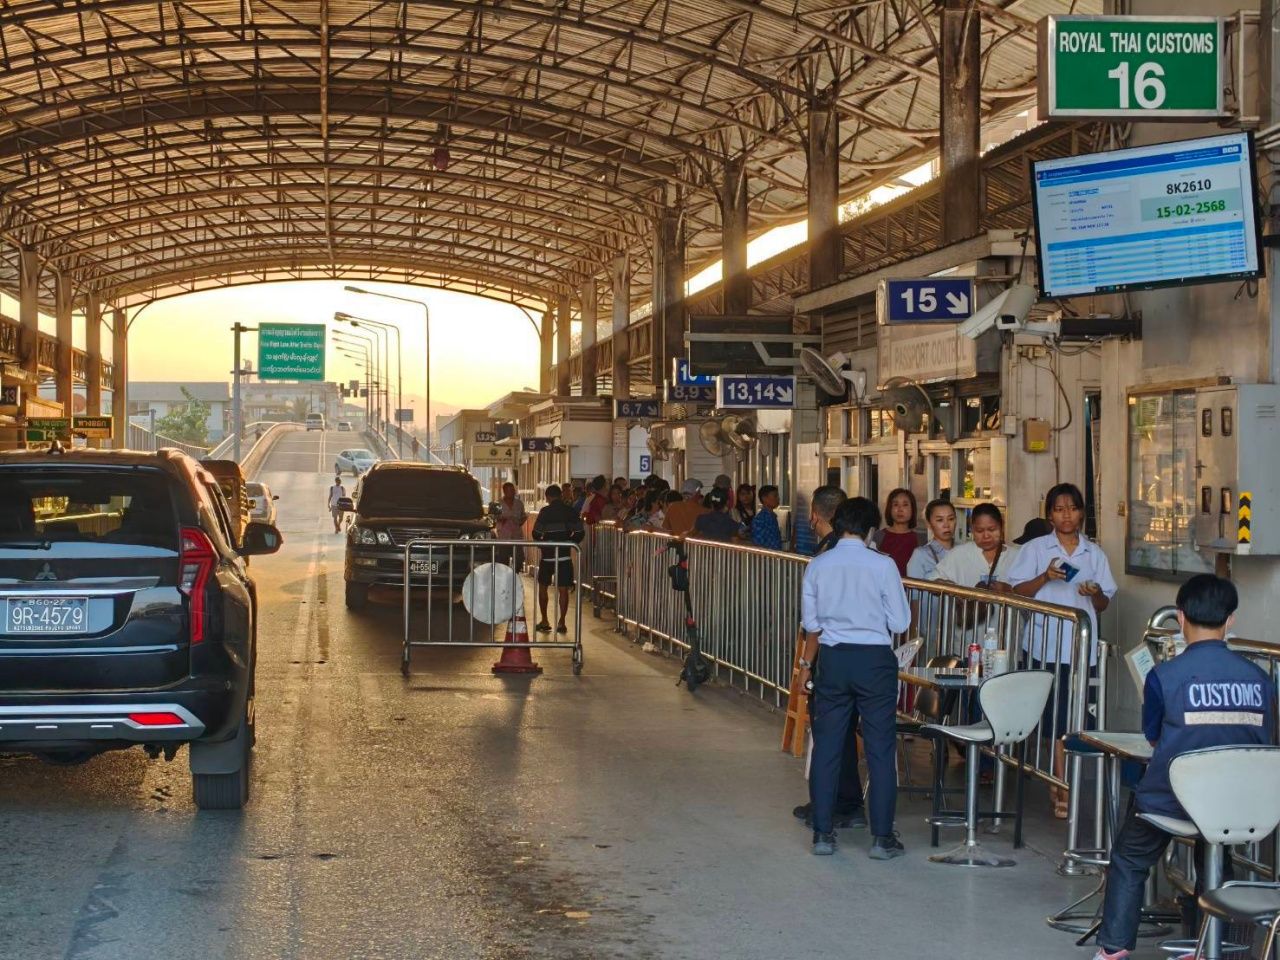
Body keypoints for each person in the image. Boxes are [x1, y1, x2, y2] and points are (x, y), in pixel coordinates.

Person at [1093, 575, 1275, 960]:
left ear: (1180, 617)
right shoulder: (1261, 679)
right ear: (1230, 620)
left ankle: (1113, 950)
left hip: (1173, 801)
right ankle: (1214, 947)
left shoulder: (1165, 676)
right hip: (1237, 805)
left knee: (1130, 859)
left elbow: (1154, 739)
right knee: (1216, 856)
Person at [799, 496, 909, 859]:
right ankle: (882, 839)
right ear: (871, 530)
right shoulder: (883, 564)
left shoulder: (818, 564)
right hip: (874, 662)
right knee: (880, 750)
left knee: (828, 747)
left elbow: (811, 623)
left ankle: (822, 834)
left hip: (833, 660)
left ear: (837, 524)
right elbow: (900, 622)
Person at [1008, 482, 1117, 818]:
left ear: (1081, 513)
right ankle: (1061, 783)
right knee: (1055, 717)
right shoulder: (1036, 549)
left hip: (1080, 647)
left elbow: (1104, 603)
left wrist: (1094, 593)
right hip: (1046, 644)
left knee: (1074, 717)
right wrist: (1045, 577)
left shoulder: (1094, 553)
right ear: (1050, 515)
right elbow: (1017, 591)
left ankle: (1062, 782)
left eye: (1072, 508)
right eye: (1059, 509)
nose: (1066, 515)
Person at [791, 485, 866, 833]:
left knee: (831, 733)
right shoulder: (863, 554)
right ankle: (835, 800)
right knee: (839, 732)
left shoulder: (828, 556)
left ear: (815, 515)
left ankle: (840, 803)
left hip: (832, 654)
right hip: (860, 654)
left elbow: (817, 621)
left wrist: (806, 665)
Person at [532, 484, 585, 635]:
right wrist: (570, 541)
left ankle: (544, 620)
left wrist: (543, 543)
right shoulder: (570, 511)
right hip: (564, 555)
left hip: (547, 556)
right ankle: (561, 622)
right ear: (561, 495)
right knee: (563, 590)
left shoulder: (545, 512)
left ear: (547, 497)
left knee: (543, 587)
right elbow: (580, 531)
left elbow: (536, 533)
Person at [932, 503, 1019, 590]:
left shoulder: (1017, 557)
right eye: (980, 531)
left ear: (1002, 526)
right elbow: (933, 580)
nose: (986, 536)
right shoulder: (959, 554)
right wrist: (951, 588)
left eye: (992, 529)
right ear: (972, 528)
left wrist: (1008, 589)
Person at [873, 488, 925, 576]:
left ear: (912, 509)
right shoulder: (877, 537)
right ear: (890, 508)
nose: (900, 509)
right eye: (896, 505)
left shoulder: (922, 539)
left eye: (905, 505)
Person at [494, 482, 527, 566]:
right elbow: (493, 518)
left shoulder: (519, 504)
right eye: (509, 490)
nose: (512, 492)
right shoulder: (498, 504)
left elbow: (523, 516)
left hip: (517, 536)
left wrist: (520, 522)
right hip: (503, 537)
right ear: (504, 491)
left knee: (519, 560)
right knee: (503, 560)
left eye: (513, 490)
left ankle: (516, 573)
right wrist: (501, 519)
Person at [750, 485, 783, 550]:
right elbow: (758, 544)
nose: (778, 499)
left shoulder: (772, 516)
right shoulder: (760, 520)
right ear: (764, 498)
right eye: (775, 496)